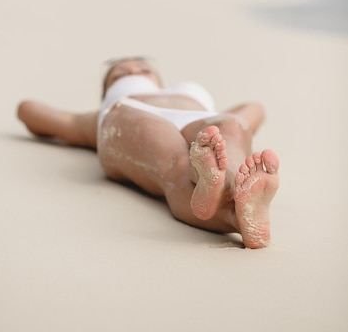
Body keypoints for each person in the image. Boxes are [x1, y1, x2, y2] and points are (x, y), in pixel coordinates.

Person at [17, 56, 280, 248]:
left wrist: (231, 121)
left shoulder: (187, 95)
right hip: (134, 115)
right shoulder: (104, 112)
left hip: (202, 118)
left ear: (159, 80)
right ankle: (226, 201)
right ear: (106, 93)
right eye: (120, 76)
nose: (133, 69)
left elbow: (253, 108)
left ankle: (238, 207)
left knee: (230, 132)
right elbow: (31, 113)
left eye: (143, 69)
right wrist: (96, 121)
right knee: (176, 163)